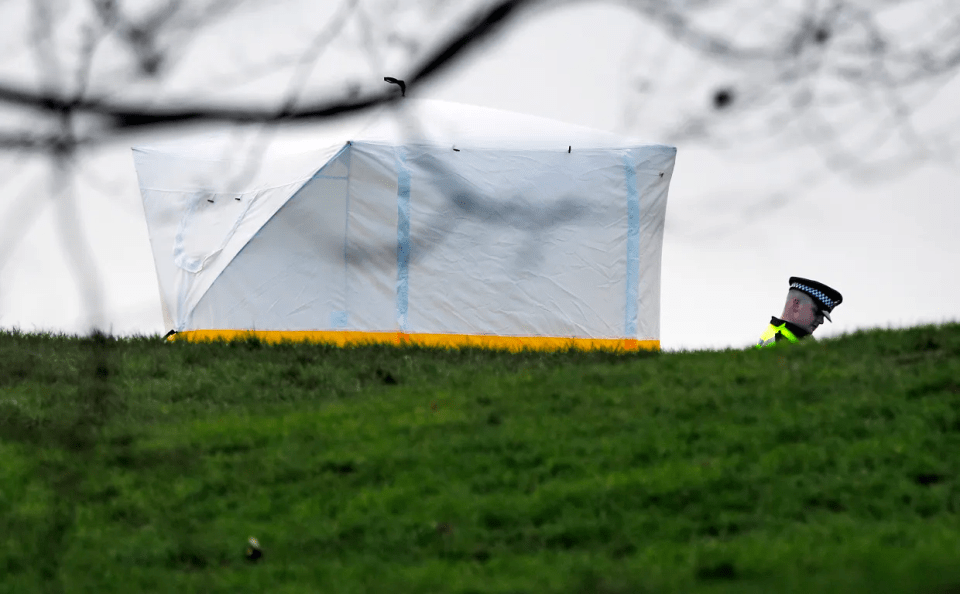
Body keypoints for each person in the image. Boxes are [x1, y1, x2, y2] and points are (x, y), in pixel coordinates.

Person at [756, 277, 843, 347]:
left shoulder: (792, 338)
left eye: (823, 316)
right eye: (817, 312)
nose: (821, 321)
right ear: (795, 305)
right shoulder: (778, 341)